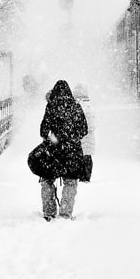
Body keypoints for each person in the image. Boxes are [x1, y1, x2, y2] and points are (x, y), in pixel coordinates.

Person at [38, 78, 88, 221]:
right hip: (72, 151)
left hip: (53, 150)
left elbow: (43, 131)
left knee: (47, 180)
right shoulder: (76, 106)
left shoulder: (51, 107)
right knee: (70, 181)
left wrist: (54, 138)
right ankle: (65, 213)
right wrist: (72, 138)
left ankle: (49, 212)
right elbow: (84, 129)